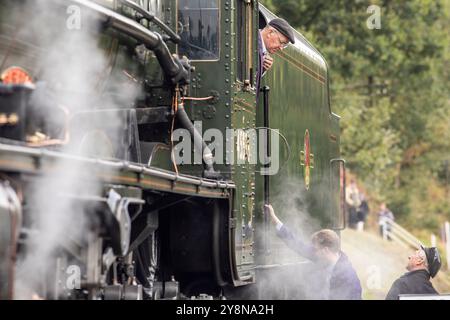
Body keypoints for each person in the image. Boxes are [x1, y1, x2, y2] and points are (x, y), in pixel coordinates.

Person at [265, 204, 362, 300]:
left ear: (325, 250)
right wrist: (275, 221)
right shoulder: (323, 257)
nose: (312, 251)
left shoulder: (348, 277)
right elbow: (298, 245)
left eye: (315, 249)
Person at [256, 18, 295, 98]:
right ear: (270, 32)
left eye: (284, 46)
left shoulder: (260, 50)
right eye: (281, 42)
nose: (281, 48)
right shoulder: (254, 42)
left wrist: (262, 69)